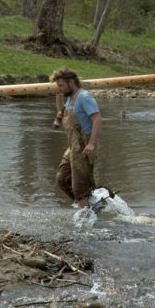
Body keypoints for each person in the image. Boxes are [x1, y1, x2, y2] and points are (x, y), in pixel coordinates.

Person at [50, 67, 102, 209]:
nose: (59, 88)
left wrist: (91, 144)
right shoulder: (70, 99)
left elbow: (97, 120)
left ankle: (85, 211)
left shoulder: (84, 97)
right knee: (62, 179)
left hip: (85, 144)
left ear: (71, 82)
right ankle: (90, 205)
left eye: (61, 85)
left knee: (79, 186)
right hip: (73, 146)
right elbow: (61, 112)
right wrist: (58, 95)